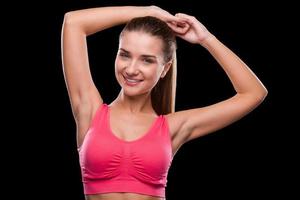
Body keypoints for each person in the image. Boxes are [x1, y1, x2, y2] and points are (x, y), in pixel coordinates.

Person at [61, 5, 267, 200]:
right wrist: (147, 11)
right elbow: (73, 22)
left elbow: (253, 93)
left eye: (147, 60)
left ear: (165, 68)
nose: (131, 69)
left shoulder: (172, 127)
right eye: (125, 55)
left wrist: (206, 39)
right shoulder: (90, 110)